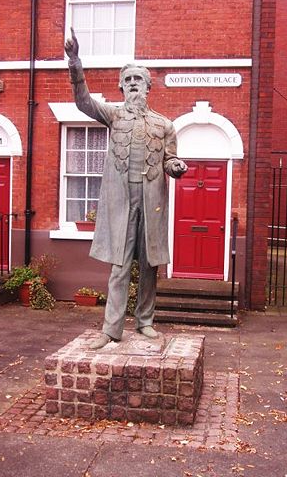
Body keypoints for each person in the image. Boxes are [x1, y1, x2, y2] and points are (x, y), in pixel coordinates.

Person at [65, 28, 187, 349]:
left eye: (139, 79)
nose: (133, 84)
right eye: (128, 79)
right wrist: (75, 62)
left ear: (148, 87)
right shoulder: (113, 116)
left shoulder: (165, 125)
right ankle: (111, 329)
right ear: (121, 86)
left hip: (151, 203)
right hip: (123, 204)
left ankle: (145, 321)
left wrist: (175, 167)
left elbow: (171, 160)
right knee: (119, 268)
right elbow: (83, 102)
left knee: (149, 266)